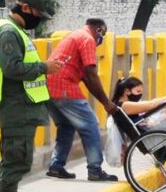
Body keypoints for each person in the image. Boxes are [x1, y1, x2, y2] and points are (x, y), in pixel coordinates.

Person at [0, 0, 64, 192]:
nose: (39, 18)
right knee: (14, 161)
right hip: (15, 108)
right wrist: (45, 67)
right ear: (25, 8)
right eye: (38, 14)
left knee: (19, 160)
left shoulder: (17, 31)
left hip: (23, 107)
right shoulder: (9, 32)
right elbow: (11, 68)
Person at [45, 18, 119, 181]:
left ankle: (56, 166)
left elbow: (85, 75)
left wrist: (104, 101)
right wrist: (106, 103)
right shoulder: (87, 39)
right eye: (103, 34)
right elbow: (91, 73)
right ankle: (95, 169)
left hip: (49, 88)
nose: (102, 39)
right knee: (91, 124)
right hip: (64, 87)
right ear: (99, 30)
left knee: (66, 125)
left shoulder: (75, 35)